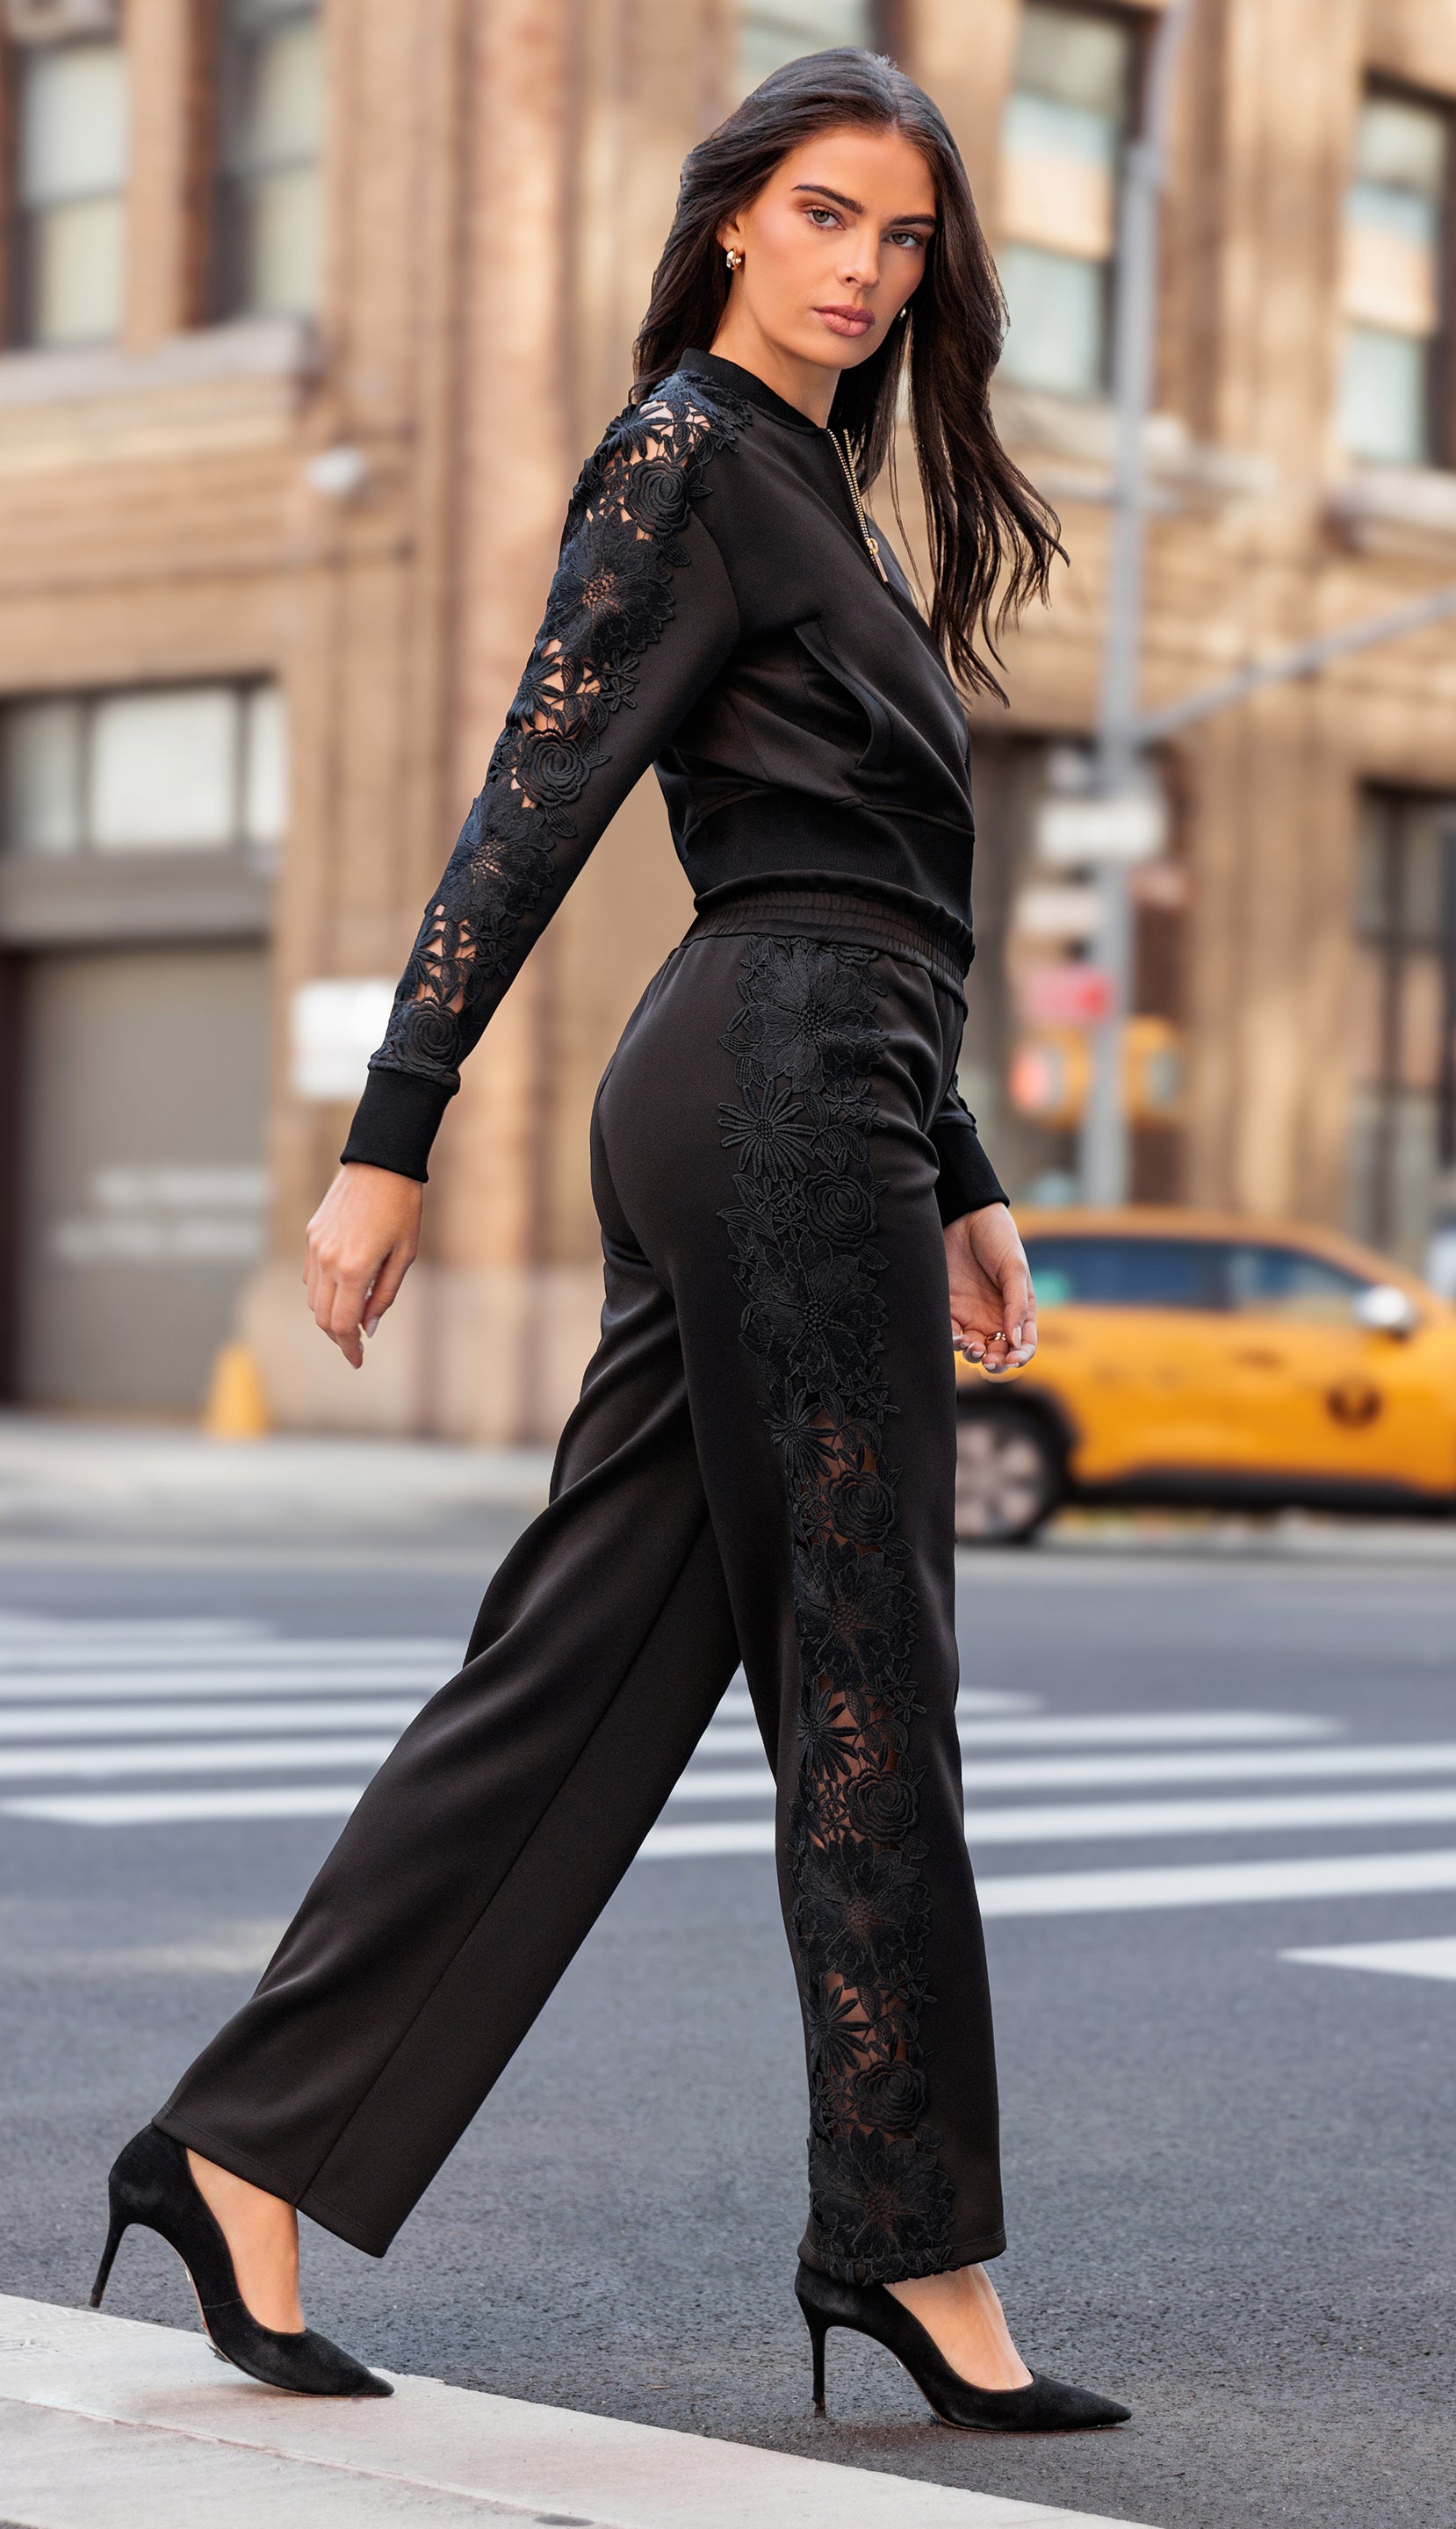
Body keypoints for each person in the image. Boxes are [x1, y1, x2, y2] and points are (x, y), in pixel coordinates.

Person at [95, 49, 1129, 2432]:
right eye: (829, 218)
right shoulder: (688, 457)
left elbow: (867, 870)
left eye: (904, 241)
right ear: (736, 221)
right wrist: (390, 1132)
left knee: (571, 1675)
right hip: (771, 1092)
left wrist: (959, 1168)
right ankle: (916, 2253)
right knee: (869, 1680)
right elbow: (539, 789)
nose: (867, 269)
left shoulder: (816, 495)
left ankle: (241, 2157)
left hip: (816, 1079)